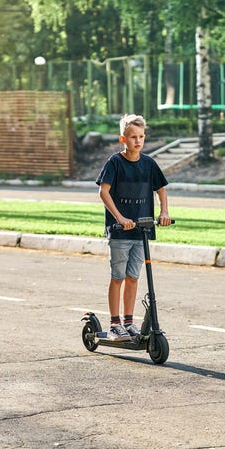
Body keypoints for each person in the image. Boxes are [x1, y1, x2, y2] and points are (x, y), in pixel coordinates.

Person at [96, 114, 171, 341]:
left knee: (133, 277)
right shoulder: (115, 163)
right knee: (118, 276)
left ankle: (128, 323)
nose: (137, 141)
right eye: (132, 137)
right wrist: (119, 218)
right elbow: (103, 192)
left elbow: (161, 190)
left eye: (141, 137)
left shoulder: (149, 164)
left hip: (141, 231)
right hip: (120, 232)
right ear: (123, 139)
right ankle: (115, 324)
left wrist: (164, 212)